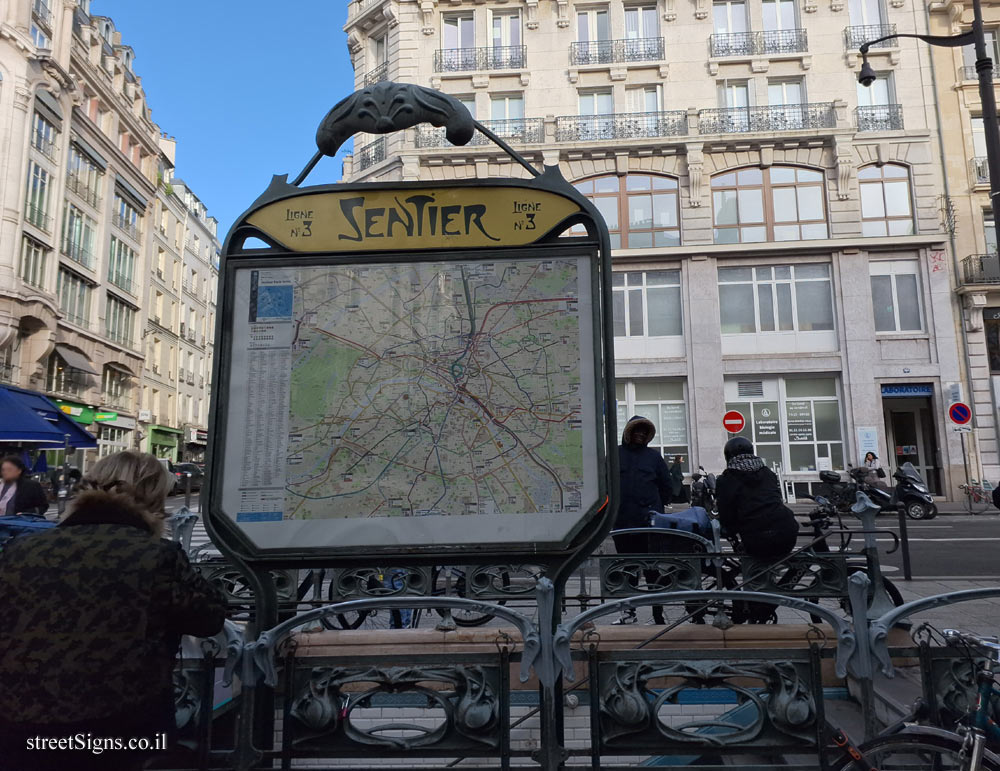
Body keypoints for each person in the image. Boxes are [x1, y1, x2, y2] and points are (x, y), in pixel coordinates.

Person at [0, 451, 228, 771]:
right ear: (152, 499)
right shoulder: (155, 555)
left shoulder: (22, 550)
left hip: (21, 728)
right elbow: (209, 616)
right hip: (123, 731)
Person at [715, 437, 799, 623]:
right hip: (786, 531)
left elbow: (727, 514)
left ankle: (756, 604)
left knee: (755, 563)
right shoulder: (768, 473)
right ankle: (766, 601)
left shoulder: (727, 479)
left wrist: (729, 530)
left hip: (756, 537)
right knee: (777, 563)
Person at [613, 415, 673, 624]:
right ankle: (629, 613)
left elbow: (667, 487)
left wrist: (656, 507)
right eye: (636, 430)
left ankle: (658, 614)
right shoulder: (614, 455)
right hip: (622, 522)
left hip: (649, 523)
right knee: (627, 569)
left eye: (644, 432)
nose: (640, 434)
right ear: (628, 433)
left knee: (652, 570)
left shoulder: (654, 458)